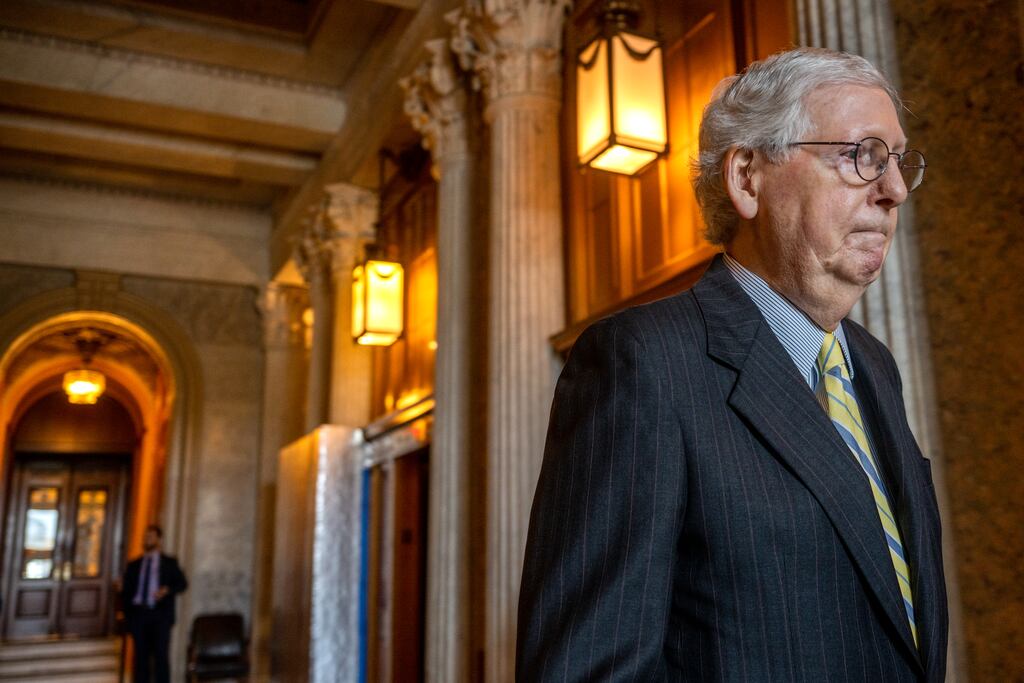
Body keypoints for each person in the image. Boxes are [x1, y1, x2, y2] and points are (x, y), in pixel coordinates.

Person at [517, 47, 948, 682]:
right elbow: (590, 666)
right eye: (862, 157)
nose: (892, 192)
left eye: (897, 163)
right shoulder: (643, 363)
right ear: (747, 177)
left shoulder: (873, 363)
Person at [119, 524, 188, 683]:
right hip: (139, 615)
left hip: (160, 616)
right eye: (145, 536)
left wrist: (166, 590)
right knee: (140, 659)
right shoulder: (134, 565)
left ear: (159, 539)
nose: (147, 539)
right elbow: (127, 592)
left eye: (150, 536)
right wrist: (122, 588)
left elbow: (182, 584)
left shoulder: (170, 563)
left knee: (160, 658)